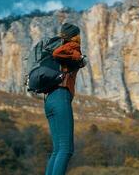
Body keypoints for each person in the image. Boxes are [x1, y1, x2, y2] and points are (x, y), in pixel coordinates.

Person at [44, 23, 87, 175]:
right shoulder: (71, 46)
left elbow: (58, 55)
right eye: (78, 34)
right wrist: (80, 57)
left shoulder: (52, 47)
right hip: (61, 96)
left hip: (49, 99)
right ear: (74, 36)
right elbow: (58, 53)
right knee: (66, 149)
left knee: (57, 150)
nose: (80, 37)